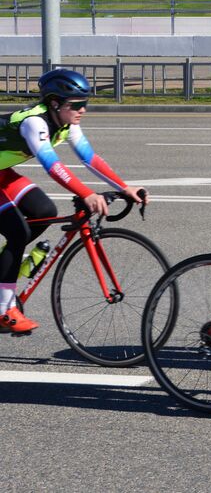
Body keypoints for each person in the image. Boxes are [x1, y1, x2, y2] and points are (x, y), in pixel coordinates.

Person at [0, 69, 147, 335]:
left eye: (85, 104)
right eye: (77, 105)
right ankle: (4, 310)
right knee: (17, 231)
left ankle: (4, 268)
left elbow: (90, 158)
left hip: (2, 172)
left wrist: (125, 188)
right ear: (55, 103)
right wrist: (87, 194)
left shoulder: (67, 124)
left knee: (44, 211)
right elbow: (53, 166)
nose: (83, 110)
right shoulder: (35, 123)